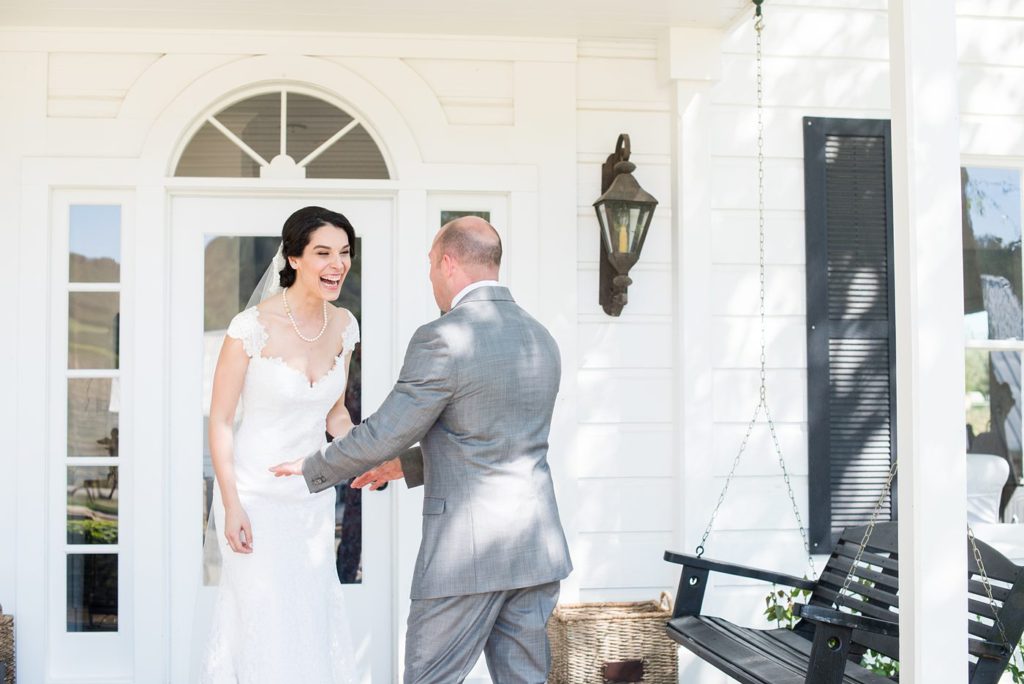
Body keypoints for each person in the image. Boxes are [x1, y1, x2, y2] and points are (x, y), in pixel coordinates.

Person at [272, 216, 573, 683]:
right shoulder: (541, 338)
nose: (430, 276)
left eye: (431, 264)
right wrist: (407, 466)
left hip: (466, 557)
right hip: (535, 550)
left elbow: (385, 431)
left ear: (449, 263)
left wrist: (313, 466)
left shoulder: (444, 337)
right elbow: (491, 439)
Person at [200, 206, 359, 683]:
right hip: (253, 498)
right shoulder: (250, 327)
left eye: (345, 253)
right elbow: (222, 421)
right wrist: (231, 505)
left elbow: (335, 413)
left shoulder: (346, 325)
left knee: (308, 618)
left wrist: (369, 455)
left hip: (308, 502)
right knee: (261, 624)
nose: (337, 264)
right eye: (323, 253)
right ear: (292, 258)